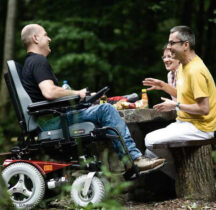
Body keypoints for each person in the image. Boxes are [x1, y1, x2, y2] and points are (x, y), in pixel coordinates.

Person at [20, 23, 165, 173]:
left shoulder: (30, 63)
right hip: (53, 122)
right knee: (106, 109)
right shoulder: (38, 61)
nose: (49, 39)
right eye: (45, 35)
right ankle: (133, 159)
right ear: (36, 38)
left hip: (49, 120)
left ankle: (127, 162)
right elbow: (49, 92)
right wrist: (77, 93)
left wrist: (84, 98)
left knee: (97, 106)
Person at [143, 25, 216, 178]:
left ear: (185, 45)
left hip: (201, 127)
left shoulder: (195, 70)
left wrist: (175, 104)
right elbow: (185, 95)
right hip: (186, 122)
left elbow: (204, 108)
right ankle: (179, 177)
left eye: (172, 43)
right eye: (169, 43)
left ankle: (182, 177)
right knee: (148, 151)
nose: (169, 47)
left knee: (150, 140)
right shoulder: (184, 65)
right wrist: (163, 86)